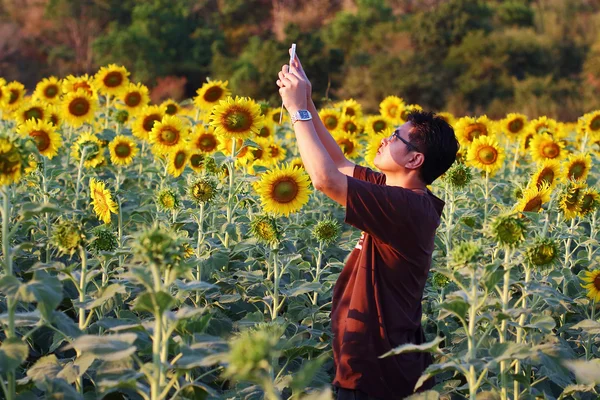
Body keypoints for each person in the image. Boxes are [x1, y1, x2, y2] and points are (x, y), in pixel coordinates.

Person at [276, 49, 459, 400]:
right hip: (372, 366)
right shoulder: (393, 191)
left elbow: (325, 180)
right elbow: (338, 163)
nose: (386, 138)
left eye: (397, 137)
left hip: (379, 376)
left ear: (415, 159)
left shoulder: (406, 207)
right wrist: (307, 101)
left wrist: (297, 112)